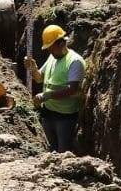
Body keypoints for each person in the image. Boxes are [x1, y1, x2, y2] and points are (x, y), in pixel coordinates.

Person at [24, 24, 86, 153]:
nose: (50, 51)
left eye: (51, 48)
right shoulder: (53, 56)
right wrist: (33, 68)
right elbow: (39, 78)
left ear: (61, 44)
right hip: (48, 112)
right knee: (51, 149)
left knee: (63, 151)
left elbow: (72, 89)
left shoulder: (75, 61)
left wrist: (47, 95)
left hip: (65, 116)